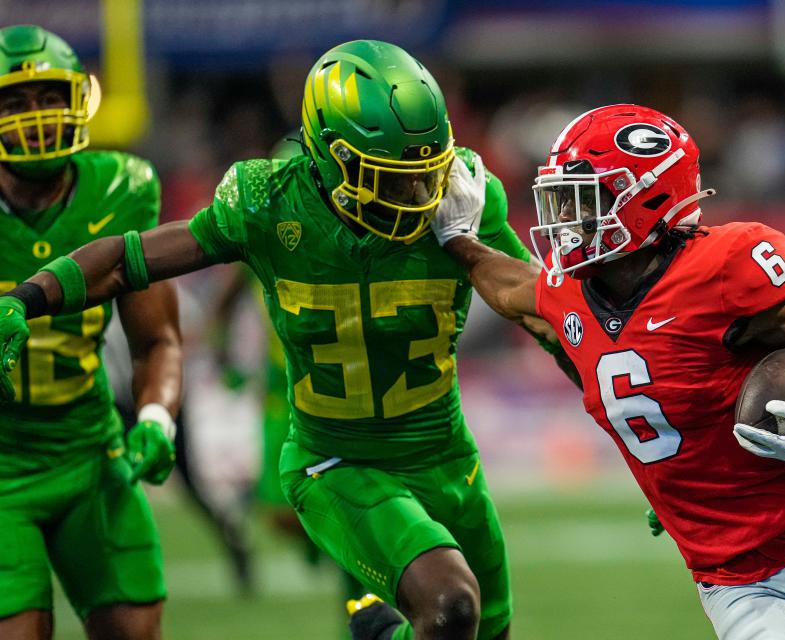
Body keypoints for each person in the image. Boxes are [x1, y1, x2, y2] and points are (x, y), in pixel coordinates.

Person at [0, 40, 561, 640]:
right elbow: (129, 260)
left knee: (488, 631)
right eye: (390, 179)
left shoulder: (461, 196)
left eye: (424, 177)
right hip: (337, 460)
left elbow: (543, 313)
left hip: (448, 457)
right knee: (451, 609)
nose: (414, 198)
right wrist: (26, 298)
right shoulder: (269, 202)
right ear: (328, 157)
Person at [431, 103, 785, 639]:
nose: (567, 215)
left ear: (647, 197)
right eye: (564, 197)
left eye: (585, 196)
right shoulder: (568, 297)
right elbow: (510, 288)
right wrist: (458, 240)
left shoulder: (724, 269)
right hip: (738, 584)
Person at [0, 25, 182, 640]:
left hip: (87, 451)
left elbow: (157, 339)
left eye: (49, 96)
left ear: (80, 97)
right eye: (14, 102)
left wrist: (156, 416)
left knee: (135, 630)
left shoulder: (121, 188)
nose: (36, 116)